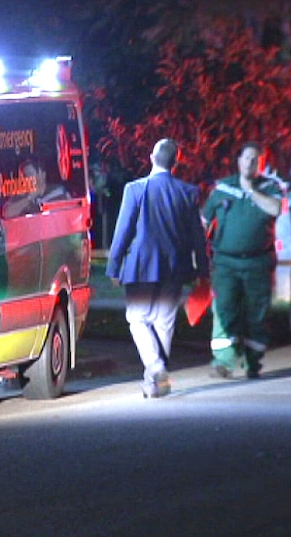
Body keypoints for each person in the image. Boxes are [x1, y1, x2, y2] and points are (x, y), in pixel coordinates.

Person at [107, 138, 210, 398]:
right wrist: (202, 270)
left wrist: (114, 266)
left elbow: (123, 230)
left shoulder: (135, 189)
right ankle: (154, 382)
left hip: (141, 266)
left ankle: (155, 368)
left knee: (137, 318)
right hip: (176, 266)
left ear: (151, 157)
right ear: (176, 162)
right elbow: (198, 235)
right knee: (164, 322)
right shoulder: (188, 192)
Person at [203, 142, 283, 378]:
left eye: (254, 159)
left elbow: (276, 209)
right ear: (238, 161)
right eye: (246, 158)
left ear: (261, 163)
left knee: (256, 313)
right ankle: (224, 361)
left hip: (258, 263)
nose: (249, 163)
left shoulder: (271, 187)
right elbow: (205, 222)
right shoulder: (222, 188)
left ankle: (252, 361)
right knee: (224, 309)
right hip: (226, 263)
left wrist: (251, 191)